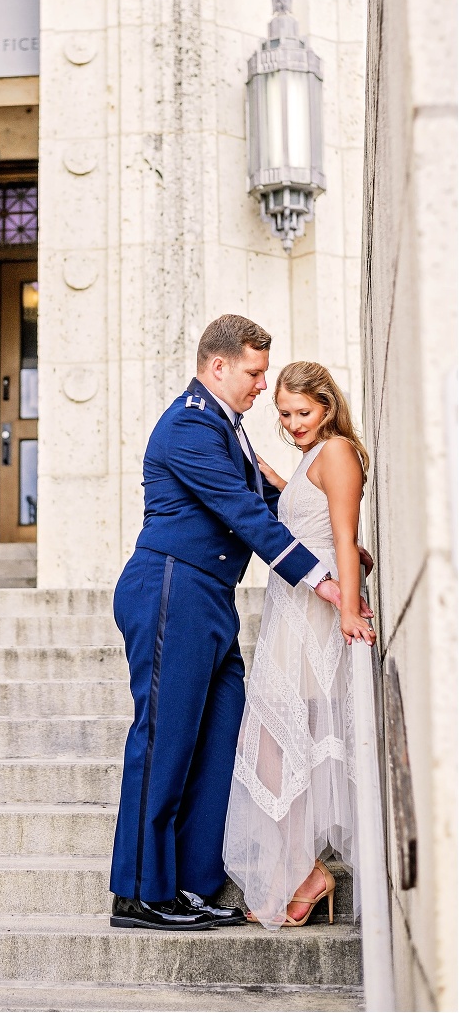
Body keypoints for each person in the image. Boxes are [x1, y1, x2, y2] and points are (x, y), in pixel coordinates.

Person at [109, 316, 373, 931]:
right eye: (254, 374)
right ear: (218, 366)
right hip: (172, 585)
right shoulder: (190, 424)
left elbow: (274, 491)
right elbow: (245, 512)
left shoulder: (225, 426)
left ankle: (197, 885)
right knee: (166, 738)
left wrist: (337, 546)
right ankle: (142, 892)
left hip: (211, 599)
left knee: (221, 738)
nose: (261, 387)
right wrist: (326, 582)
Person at [223, 361, 374, 929]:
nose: (292, 424)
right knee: (274, 748)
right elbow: (307, 514)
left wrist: (350, 612)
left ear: (328, 407)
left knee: (276, 746)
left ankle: (307, 873)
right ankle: (307, 871)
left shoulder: (336, 452)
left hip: (314, 618)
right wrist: (271, 476)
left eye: (303, 413)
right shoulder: (313, 458)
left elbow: (342, 535)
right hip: (290, 612)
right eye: (283, 414)